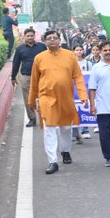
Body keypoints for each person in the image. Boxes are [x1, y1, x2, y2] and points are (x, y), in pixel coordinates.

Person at [28, 30, 88, 175]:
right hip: (46, 98)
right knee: (49, 129)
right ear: (45, 41)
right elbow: (34, 81)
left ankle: (65, 151)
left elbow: (78, 77)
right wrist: (31, 100)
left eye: (55, 38)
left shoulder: (70, 56)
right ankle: (52, 161)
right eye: (49, 38)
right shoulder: (39, 58)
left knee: (65, 128)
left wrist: (83, 95)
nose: (52, 40)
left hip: (65, 98)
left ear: (59, 40)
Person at [11, 28, 46, 127]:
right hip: (26, 76)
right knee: (28, 98)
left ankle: (44, 116)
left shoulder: (42, 47)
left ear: (34, 36)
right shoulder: (20, 49)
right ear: (24, 37)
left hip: (41, 75)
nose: (30, 37)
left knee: (43, 96)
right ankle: (32, 118)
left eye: (31, 35)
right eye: (28, 36)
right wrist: (13, 77)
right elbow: (16, 63)